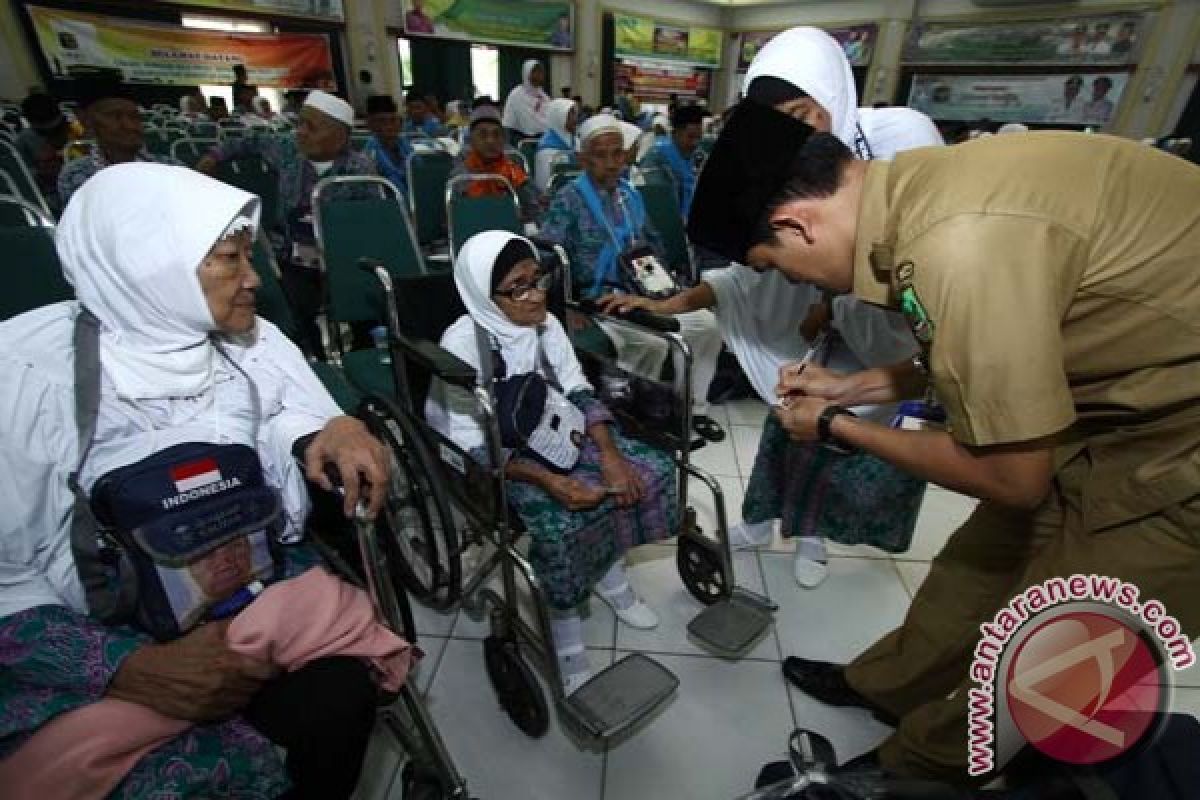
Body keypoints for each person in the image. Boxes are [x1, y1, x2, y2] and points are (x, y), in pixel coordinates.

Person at [687, 99, 1200, 784]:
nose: (793, 281)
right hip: (1111, 409)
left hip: (1182, 459)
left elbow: (1014, 477)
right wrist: (852, 387)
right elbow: (981, 345)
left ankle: (914, 774)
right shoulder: (919, 192)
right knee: (978, 564)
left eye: (777, 266)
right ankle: (891, 686)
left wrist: (837, 426)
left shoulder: (954, 246)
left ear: (795, 224)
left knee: (1062, 650)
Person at [0, 162, 390, 797]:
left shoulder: (249, 341)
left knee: (340, 697)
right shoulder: (25, 377)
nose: (254, 279)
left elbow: (282, 403)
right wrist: (128, 668)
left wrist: (333, 425)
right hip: (102, 630)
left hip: (246, 588)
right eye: (231, 260)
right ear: (154, 271)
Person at [609, 29, 942, 586]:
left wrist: (835, 308)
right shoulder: (784, 179)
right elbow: (750, 276)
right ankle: (762, 520)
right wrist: (667, 303)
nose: (800, 130)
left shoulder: (903, 144)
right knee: (789, 426)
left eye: (805, 113)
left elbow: (926, 302)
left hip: (897, 345)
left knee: (833, 442)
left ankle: (809, 535)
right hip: (837, 344)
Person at [427, 231, 675, 693]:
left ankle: (613, 577)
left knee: (647, 473)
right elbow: (470, 448)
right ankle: (566, 635)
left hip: (553, 426)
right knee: (563, 522)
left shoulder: (545, 323)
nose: (537, 293)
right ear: (485, 293)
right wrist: (548, 482)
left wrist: (611, 455)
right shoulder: (461, 347)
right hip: (492, 452)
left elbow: (578, 389)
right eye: (518, 286)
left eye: (537, 279)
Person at [541, 114, 726, 443]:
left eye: (618, 154)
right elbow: (550, 256)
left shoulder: (630, 195)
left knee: (707, 326)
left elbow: (652, 244)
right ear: (584, 159)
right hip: (598, 299)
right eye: (601, 156)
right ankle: (644, 417)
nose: (613, 164)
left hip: (642, 290)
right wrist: (565, 306)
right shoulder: (568, 199)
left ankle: (691, 408)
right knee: (652, 343)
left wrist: (667, 287)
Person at [195, 90, 376, 355]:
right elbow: (247, 142)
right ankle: (312, 359)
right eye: (300, 124)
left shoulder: (360, 168)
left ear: (340, 137)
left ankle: (362, 356)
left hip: (341, 255)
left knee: (365, 302)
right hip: (292, 255)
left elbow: (366, 224)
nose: (300, 132)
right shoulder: (287, 149)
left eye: (311, 127)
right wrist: (213, 156)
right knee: (292, 311)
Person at [58, 68, 182, 207]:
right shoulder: (76, 175)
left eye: (135, 117)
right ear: (87, 121)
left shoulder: (169, 168)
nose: (129, 126)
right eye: (114, 116)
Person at [448, 105, 539, 222]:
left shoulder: (514, 172)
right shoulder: (460, 177)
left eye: (496, 135)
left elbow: (534, 208)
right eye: (483, 135)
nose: (490, 141)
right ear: (471, 140)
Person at [15, 91, 76, 216]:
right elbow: (24, 176)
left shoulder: (76, 128)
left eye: (55, 128)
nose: (50, 135)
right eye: (43, 132)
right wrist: (40, 173)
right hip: (51, 194)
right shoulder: (25, 139)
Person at [640, 103, 705, 216]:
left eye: (699, 137)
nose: (695, 143)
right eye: (690, 137)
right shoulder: (656, 157)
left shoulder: (699, 156)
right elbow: (658, 199)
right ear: (675, 133)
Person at [364, 94, 411, 196]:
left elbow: (418, 170)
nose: (389, 126)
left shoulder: (404, 143)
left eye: (393, 120)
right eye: (382, 121)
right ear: (371, 124)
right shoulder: (370, 152)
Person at [502, 59, 551, 142]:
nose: (540, 74)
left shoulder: (544, 96)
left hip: (541, 138)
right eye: (535, 71)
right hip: (518, 139)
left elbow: (550, 119)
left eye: (541, 71)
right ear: (527, 73)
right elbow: (527, 126)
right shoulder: (517, 95)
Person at [535, 97, 577, 192]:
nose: (575, 118)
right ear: (559, 116)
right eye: (570, 114)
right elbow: (545, 186)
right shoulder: (547, 150)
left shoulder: (575, 141)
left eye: (575, 113)